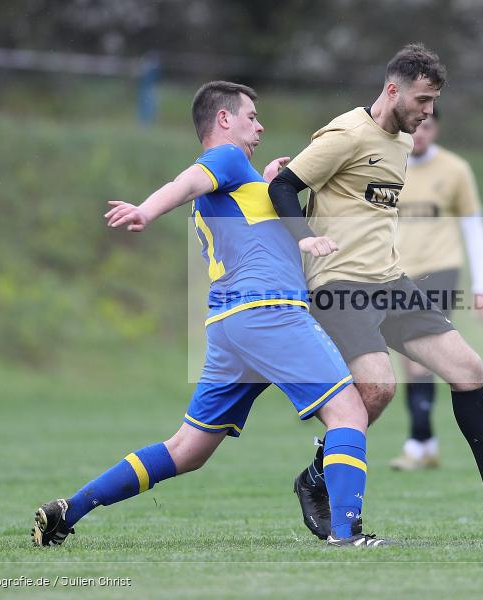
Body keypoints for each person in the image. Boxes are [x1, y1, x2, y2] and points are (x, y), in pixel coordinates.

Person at [32, 81, 387, 548]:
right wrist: (147, 209)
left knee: (187, 450)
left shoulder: (242, 179)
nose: (260, 126)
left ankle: (68, 510)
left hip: (229, 326)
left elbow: (247, 213)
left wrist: (269, 179)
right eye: (251, 116)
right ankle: (346, 535)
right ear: (223, 120)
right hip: (268, 311)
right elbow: (189, 180)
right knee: (349, 413)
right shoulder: (226, 160)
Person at [268, 44, 483, 540]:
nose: (428, 113)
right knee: (378, 391)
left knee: (468, 369)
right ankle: (324, 488)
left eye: (433, 103)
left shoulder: (401, 143)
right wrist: (306, 239)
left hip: (390, 282)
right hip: (339, 284)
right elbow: (283, 187)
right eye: (423, 101)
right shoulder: (345, 134)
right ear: (392, 90)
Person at [388, 110, 483, 471]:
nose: (420, 133)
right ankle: (425, 442)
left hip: (441, 269)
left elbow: (473, 226)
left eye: (427, 126)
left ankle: (418, 443)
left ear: (436, 129)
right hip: (400, 272)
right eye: (416, 126)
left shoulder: (455, 170)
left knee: (424, 355)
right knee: (411, 361)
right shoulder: (391, 164)